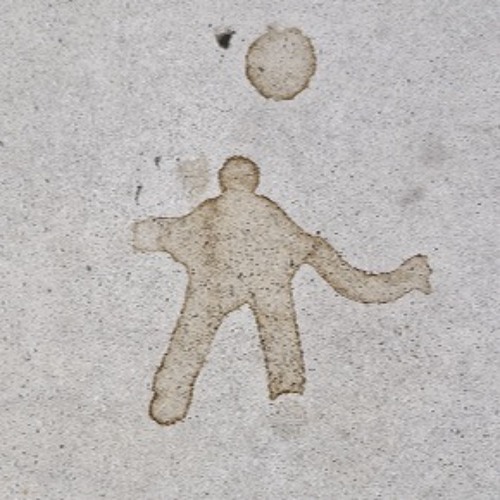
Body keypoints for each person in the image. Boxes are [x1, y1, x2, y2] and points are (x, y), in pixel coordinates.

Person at [133, 156, 432, 425]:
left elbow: (168, 232)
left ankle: (171, 394)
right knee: (279, 333)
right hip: (267, 287)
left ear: (223, 180)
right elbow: (348, 278)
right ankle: (287, 393)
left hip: (215, 287)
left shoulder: (210, 211)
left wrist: (141, 231)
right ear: (254, 181)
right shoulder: (269, 213)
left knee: (192, 334)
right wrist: (401, 280)